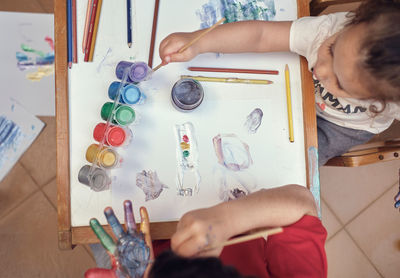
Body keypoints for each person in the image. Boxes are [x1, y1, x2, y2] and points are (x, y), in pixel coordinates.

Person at [158, 0, 400, 166]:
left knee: (292, 166)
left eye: (340, 82)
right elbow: (261, 36)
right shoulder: (328, 29)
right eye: (332, 49)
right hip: (296, 90)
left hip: (343, 126)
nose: (319, 68)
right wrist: (199, 43)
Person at [86, 185, 327, 278]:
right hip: (222, 223)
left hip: (133, 256)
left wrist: (145, 273)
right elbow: (302, 204)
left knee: (89, 213)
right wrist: (227, 219)